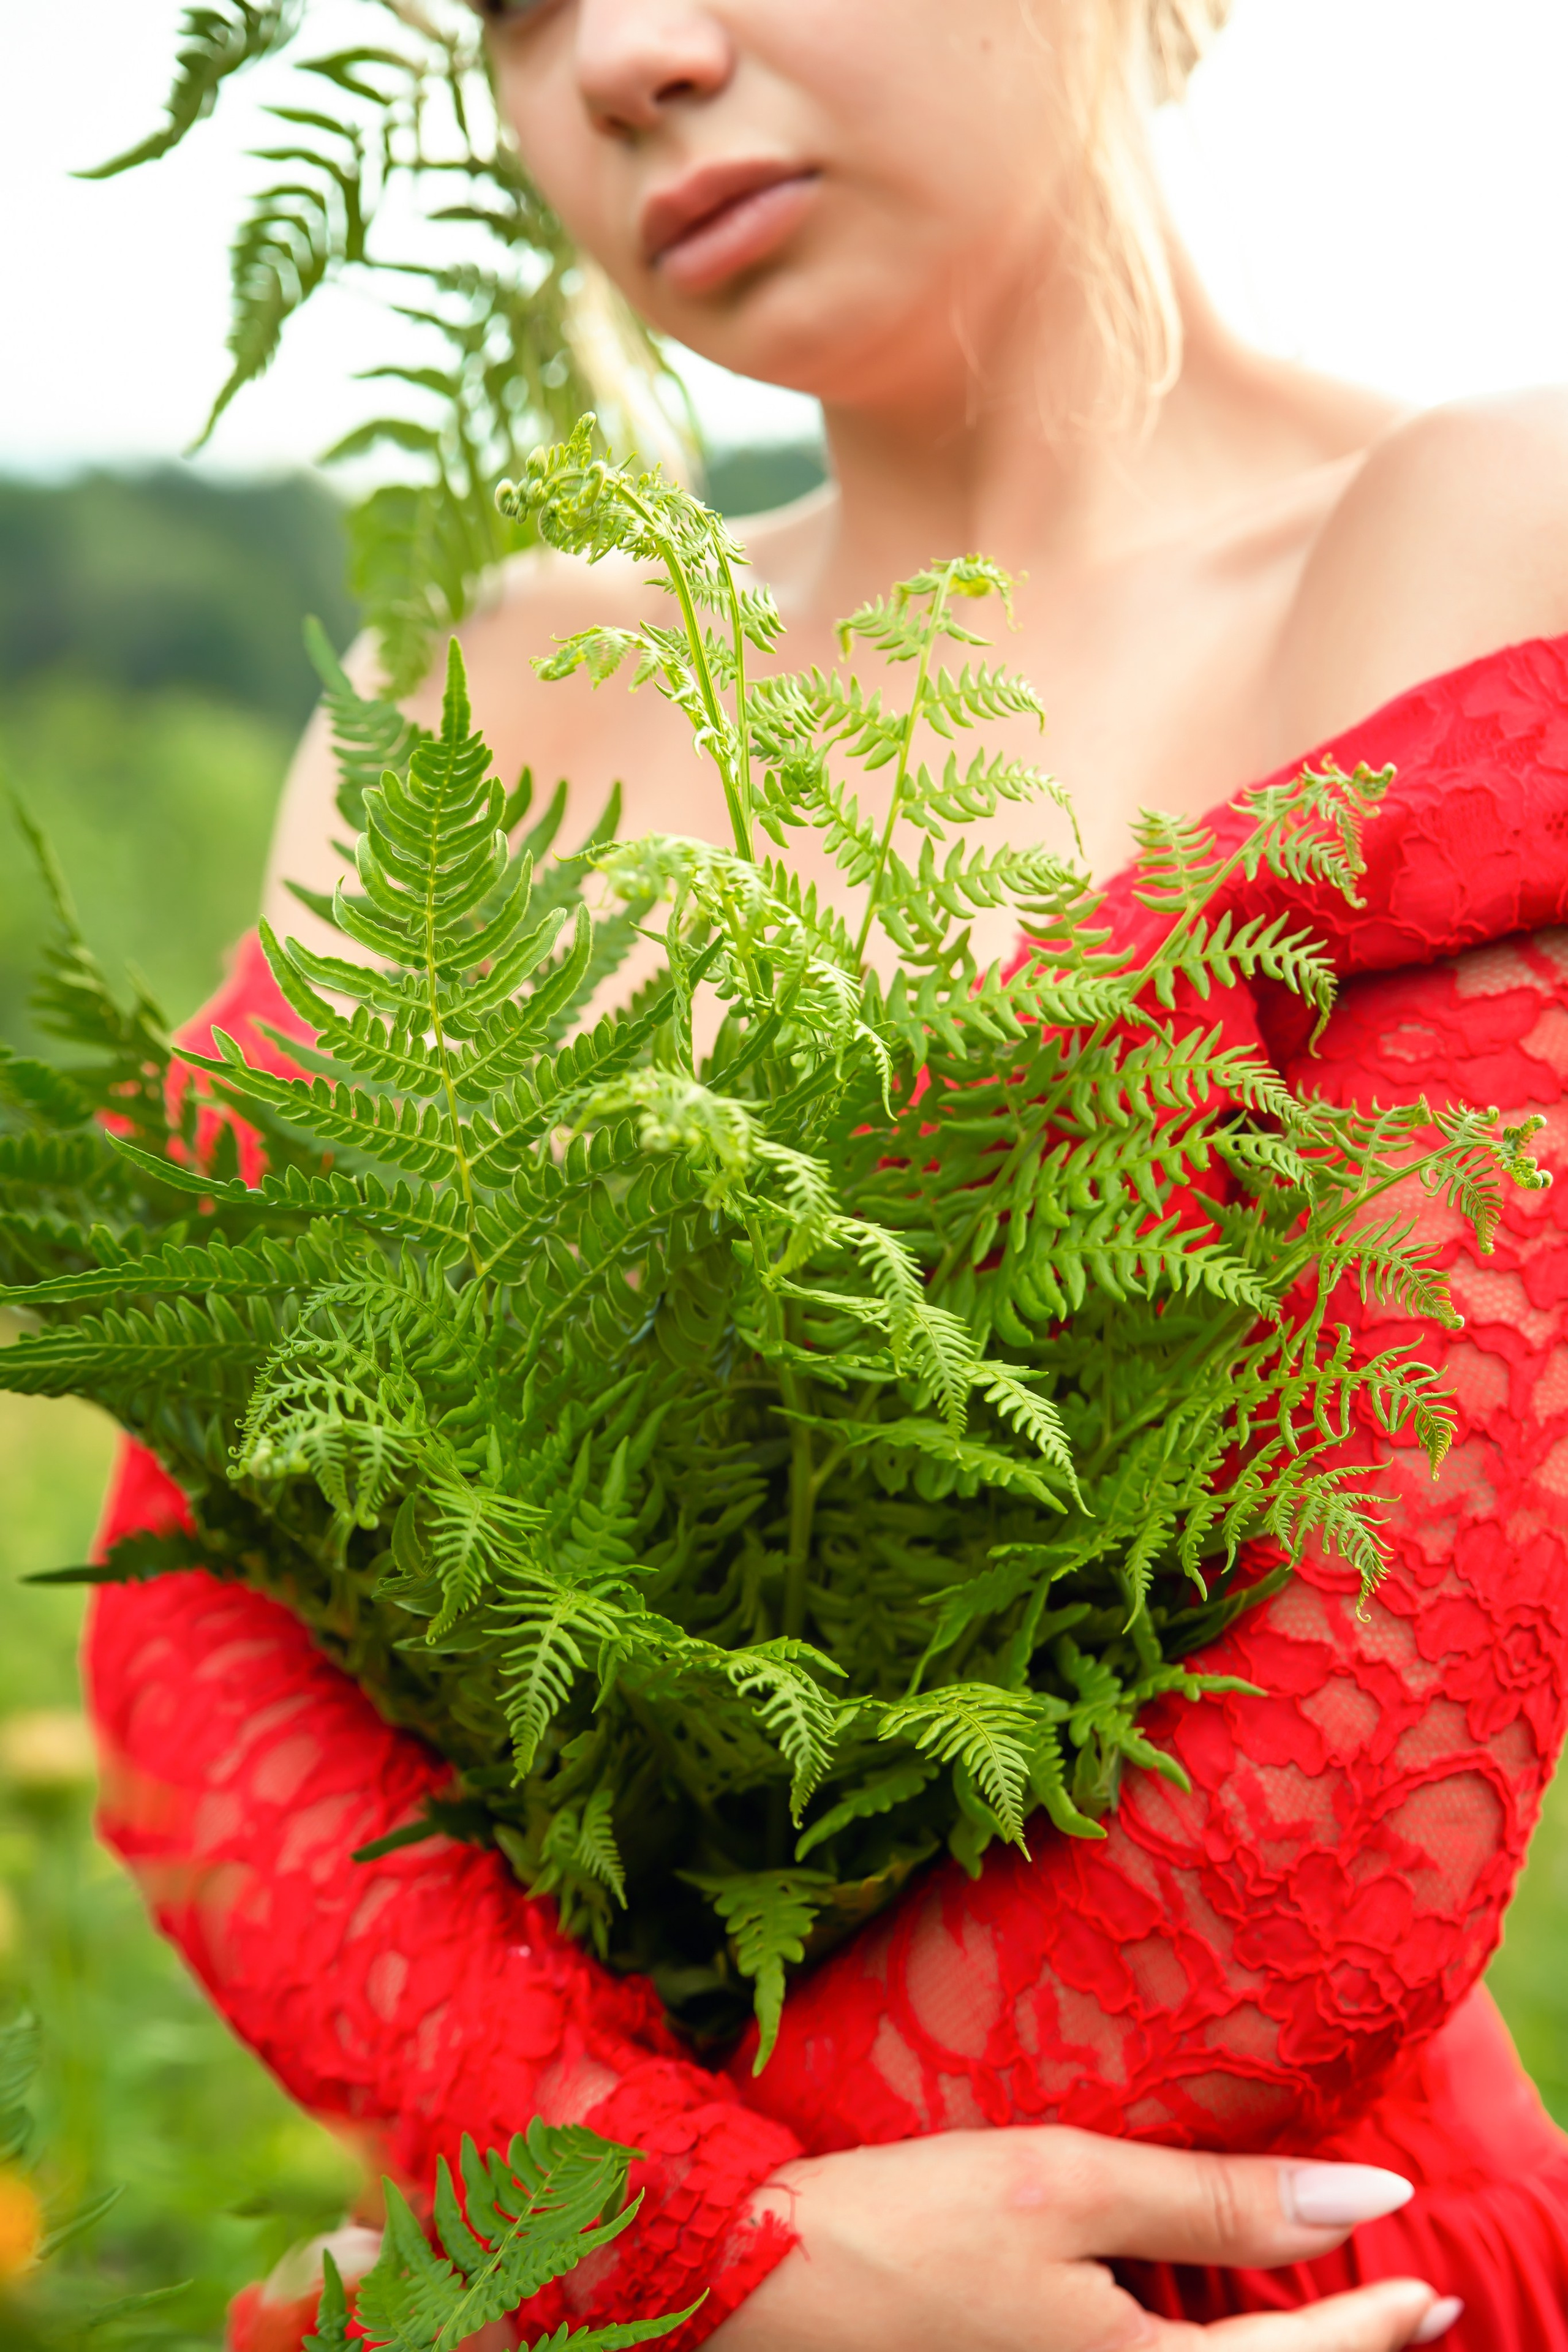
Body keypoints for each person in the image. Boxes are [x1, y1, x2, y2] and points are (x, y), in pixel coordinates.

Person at [86, 4, 1568, 2348]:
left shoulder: (1480, 521)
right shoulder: (478, 697)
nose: (630, 63)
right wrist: (701, 2267)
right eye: (520, 8)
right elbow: (199, 1625)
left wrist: (610, 2267)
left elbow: (1374, 1716)